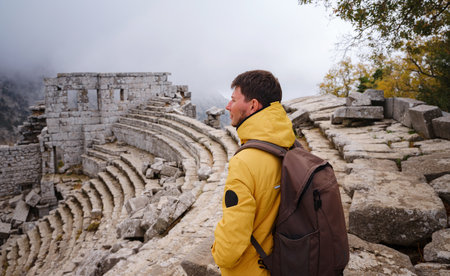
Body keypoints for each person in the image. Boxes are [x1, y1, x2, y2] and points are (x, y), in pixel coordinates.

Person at [211, 70, 296, 275]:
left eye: (233, 100)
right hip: (280, 260)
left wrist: (217, 252)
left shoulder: (244, 162)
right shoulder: (289, 144)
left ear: (253, 105)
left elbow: (232, 241)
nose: (228, 106)